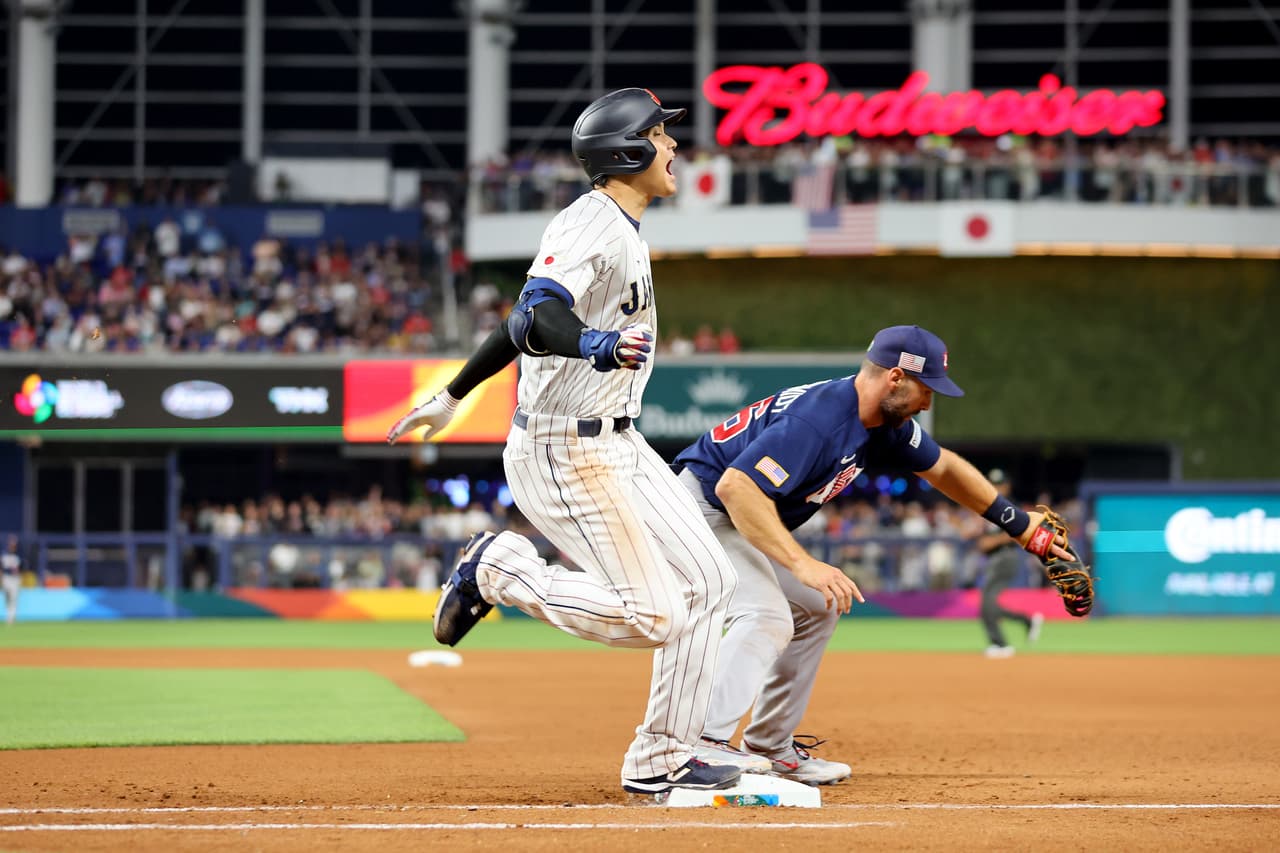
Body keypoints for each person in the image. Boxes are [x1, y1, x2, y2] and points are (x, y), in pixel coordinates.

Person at [387, 88, 742, 796]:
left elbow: (513, 326)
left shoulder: (622, 224)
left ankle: (661, 756)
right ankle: (500, 569)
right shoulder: (591, 223)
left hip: (620, 441)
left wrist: (452, 395)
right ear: (628, 151)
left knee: (713, 582)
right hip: (563, 450)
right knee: (657, 614)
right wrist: (594, 343)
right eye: (660, 135)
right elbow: (534, 315)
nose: (673, 145)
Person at [670, 325, 1073, 784]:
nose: (928, 403)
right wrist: (803, 563)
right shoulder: (820, 419)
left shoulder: (881, 423)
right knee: (766, 614)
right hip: (699, 508)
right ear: (896, 378)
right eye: (927, 389)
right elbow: (736, 487)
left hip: (735, 514)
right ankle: (700, 744)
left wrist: (1018, 525)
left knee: (818, 604)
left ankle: (769, 745)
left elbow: (942, 468)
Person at [972, 469, 1043, 659]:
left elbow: (1019, 531)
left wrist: (992, 542)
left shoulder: (1010, 506)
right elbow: (982, 538)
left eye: (999, 484)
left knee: (986, 603)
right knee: (986, 604)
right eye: (992, 483)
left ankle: (1000, 644)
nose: (995, 487)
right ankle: (1025, 621)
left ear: (1007, 486)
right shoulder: (988, 505)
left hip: (1006, 556)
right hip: (993, 558)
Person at [2, 535, 21, 626]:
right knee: (6, 598)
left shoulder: (18, 555)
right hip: (6, 578)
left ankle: (11, 618)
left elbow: (21, 568)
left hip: (15, 579)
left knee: (13, 598)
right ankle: (9, 615)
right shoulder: (4, 555)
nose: (12, 546)